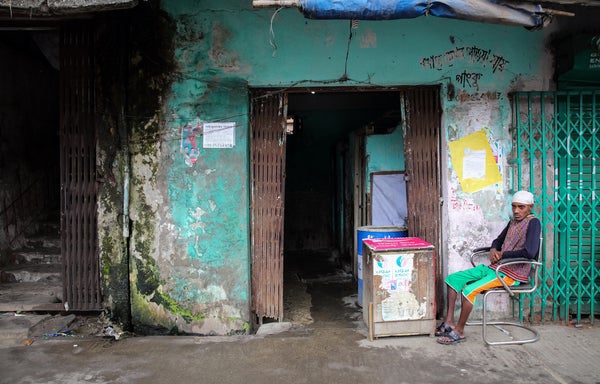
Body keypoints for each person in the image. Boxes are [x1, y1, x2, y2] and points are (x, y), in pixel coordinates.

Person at [436, 190, 541, 345]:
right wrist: (493, 249)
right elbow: (498, 240)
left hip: (512, 274)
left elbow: (530, 252)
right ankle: (449, 322)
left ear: (530, 207)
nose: (516, 211)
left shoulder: (533, 223)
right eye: (514, 207)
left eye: (521, 207)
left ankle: (459, 331)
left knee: (468, 291)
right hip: (496, 268)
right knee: (452, 279)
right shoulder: (513, 222)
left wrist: (503, 255)